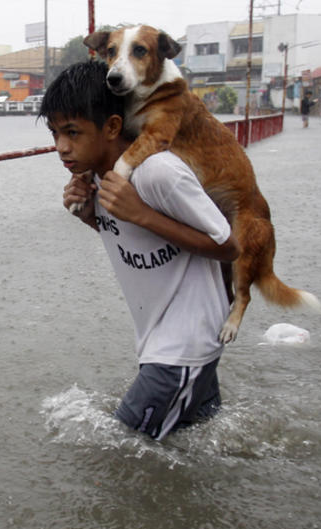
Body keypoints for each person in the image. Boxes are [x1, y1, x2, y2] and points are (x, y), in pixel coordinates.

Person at [39, 61, 240, 440]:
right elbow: (129, 236)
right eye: (54, 133)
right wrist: (87, 213)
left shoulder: (158, 172)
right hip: (168, 341)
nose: (61, 147)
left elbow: (228, 245)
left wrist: (142, 213)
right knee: (198, 448)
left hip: (181, 347)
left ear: (113, 126)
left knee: (122, 453)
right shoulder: (99, 176)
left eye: (72, 132)